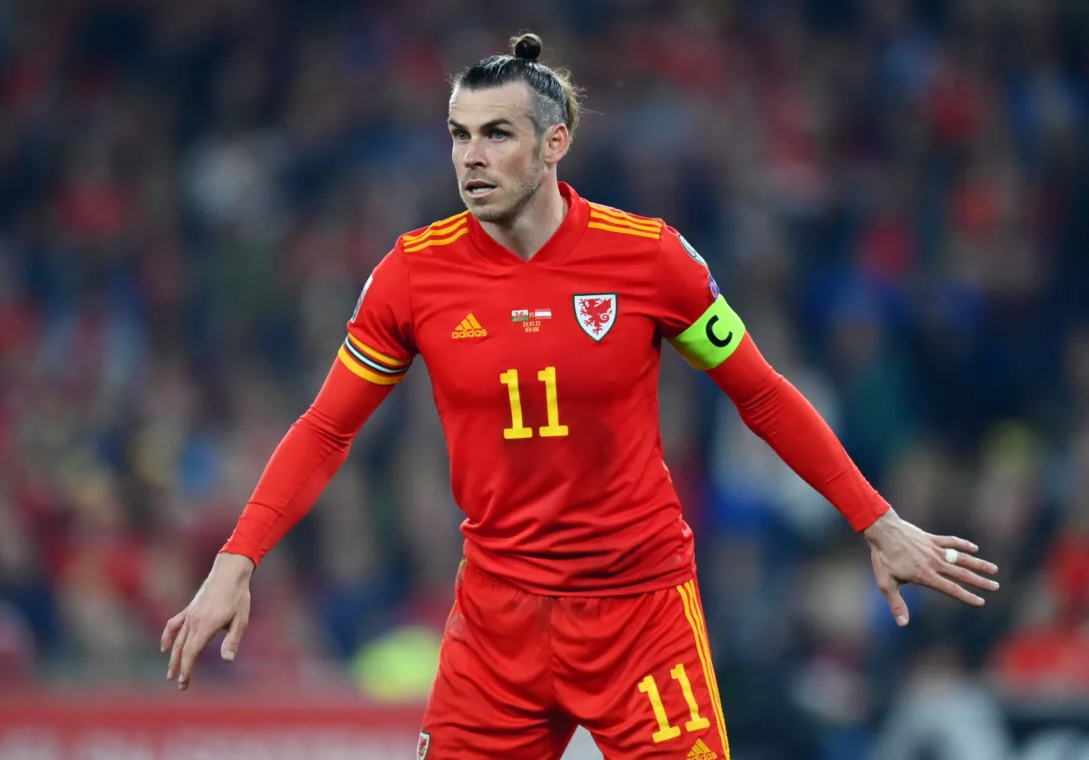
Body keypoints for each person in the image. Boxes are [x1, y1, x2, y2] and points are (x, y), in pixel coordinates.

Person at [161, 33, 999, 759]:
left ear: (554, 143)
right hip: (498, 620)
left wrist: (875, 520)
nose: (470, 158)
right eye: (458, 136)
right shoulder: (413, 276)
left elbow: (763, 394)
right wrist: (235, 563)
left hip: (639, 612)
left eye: (496, 135)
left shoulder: (650, 260)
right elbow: (325, 429)